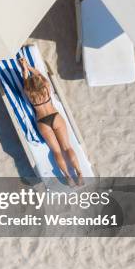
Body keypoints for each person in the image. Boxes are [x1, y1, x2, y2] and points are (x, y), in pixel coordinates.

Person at [19, 57, 82, 185]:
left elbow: (25, 78)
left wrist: (24, 67)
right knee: (67, 147)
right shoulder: (46, 87)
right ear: (39, 82)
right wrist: (29, 66)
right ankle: (79, 174)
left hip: (42, 121)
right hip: (55, 117)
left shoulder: (28, 91)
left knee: (57, 151)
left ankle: (68, 177)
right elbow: (38, 74)